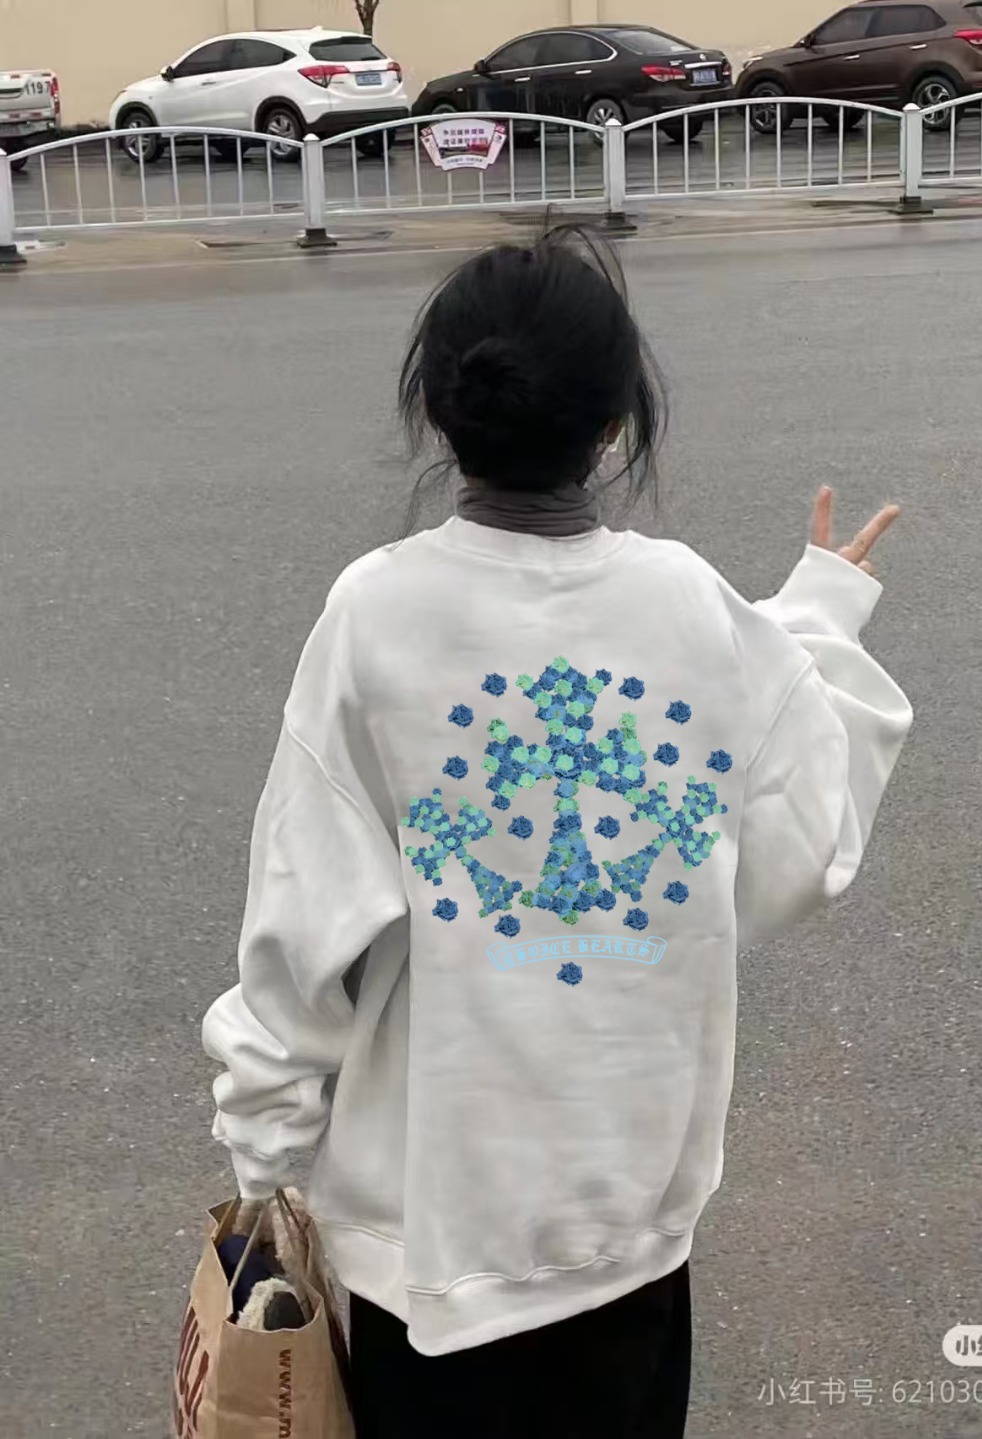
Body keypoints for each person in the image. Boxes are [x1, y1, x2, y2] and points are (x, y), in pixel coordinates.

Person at [202, 226, 913, 1438]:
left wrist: (264, 1156)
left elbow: (302, 920)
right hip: (628, 1223)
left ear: (441, 413)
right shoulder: (693, 605)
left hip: (430, 1245)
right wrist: (819, 622)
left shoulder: (379, 612)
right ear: (619, 423)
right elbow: (801, 832)